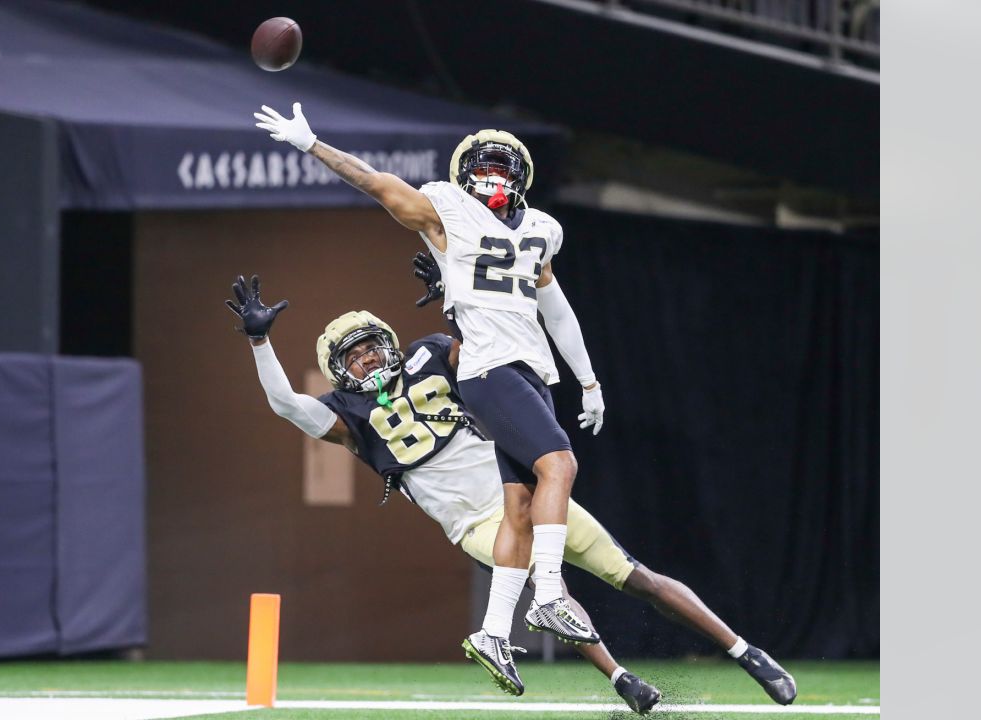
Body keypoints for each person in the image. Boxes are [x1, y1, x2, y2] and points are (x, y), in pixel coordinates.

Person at [224, 275, 797, 711]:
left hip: (518, 489)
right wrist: (260, 342)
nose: (369, 358)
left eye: (372, 345)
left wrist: (456, 291)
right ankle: (620, 677)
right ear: (339, 370)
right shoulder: (346, 414)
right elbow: (283, 404)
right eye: (354, 355)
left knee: (636, 577)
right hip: (473, 522)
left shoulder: (430, 352)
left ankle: (745, 650)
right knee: (554, 589)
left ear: (390, 341)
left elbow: (487, 344)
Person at [255, 106, 602, 666]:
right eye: (484, 164)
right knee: (559, 465)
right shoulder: (447, 208)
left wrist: (587, 380)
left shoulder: (541, 230)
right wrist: (312, 143)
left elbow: (555, 312)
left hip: (529, 370)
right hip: (488, 387)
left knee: (521, 506)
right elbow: (377, 183)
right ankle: (552, 595)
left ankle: (495, 632)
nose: (494, 175)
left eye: (504, 166)